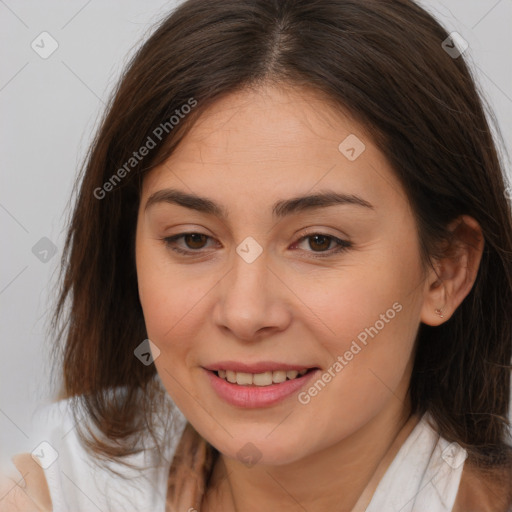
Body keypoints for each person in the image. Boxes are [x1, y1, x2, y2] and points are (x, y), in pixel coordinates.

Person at [2, 0, 512, 510]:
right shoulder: (57, 487)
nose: (245, 314)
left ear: (445, 270)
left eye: (319, 241)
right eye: (193, 239)